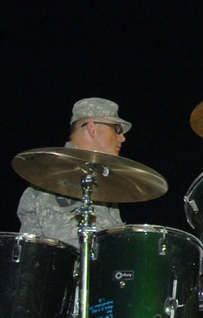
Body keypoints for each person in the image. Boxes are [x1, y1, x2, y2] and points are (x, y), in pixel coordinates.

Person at [18, 97, 130, 247]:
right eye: (117, 130)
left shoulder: (98, 176)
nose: (122, 138)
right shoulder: (61, 174)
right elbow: (72, 246)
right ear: (92, 128)